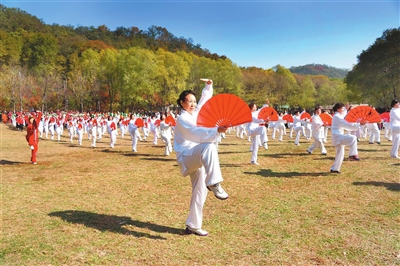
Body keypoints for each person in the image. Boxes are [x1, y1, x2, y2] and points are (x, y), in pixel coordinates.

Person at [174, 79, 228, 237]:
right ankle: (214, 183)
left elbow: (204, 102)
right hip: (187, 156)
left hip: (198, 157)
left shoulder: (196, 113)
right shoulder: (182, 119)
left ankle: (193, 225)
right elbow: (196, 134)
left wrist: (209, 86)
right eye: (189, 101)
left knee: (200, 192)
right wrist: (216, 130)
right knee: (208, 146)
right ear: (182, 103)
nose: (192, 103)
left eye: (194, 101)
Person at [330, 103, 366, 173]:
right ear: (338, 109)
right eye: (342, 108)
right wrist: (359, 124)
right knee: (352, 138)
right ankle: (352, 155)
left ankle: (335, 168)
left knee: (340, 153)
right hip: (337, 136)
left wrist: (347, 108)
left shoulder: (338, 115)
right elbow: (346, 124)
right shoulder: (337, 116)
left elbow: (344, 114)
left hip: (338, 136)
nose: (343, 110)